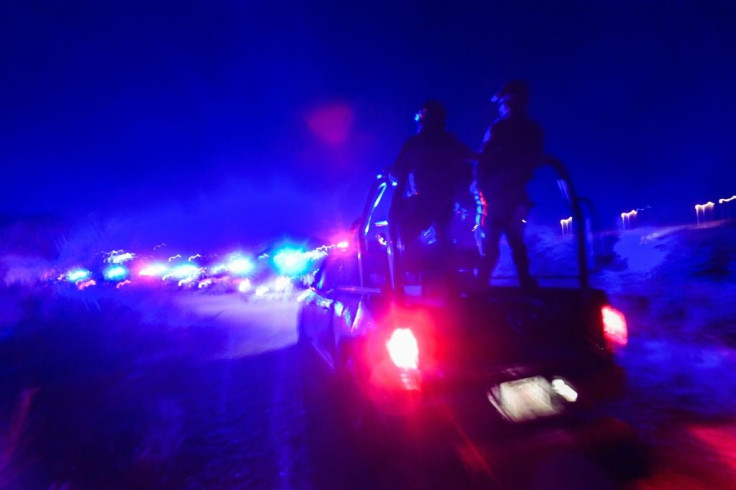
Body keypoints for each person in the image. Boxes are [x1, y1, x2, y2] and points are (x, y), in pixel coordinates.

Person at [388, 100, 476, 292]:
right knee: (443, 236)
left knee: (400, 230)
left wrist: (394, 174)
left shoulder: (415, 142)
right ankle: (448, 277)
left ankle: (401, 277)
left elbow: (396, 170)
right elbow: (469, 159)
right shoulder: (450, 141)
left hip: (425, 200)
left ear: (423, 118)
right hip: (446, 200)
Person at [477, 80, 544, 289]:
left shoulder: (500, 129)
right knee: (513, 240)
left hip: (501, 196)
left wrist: (482, 190)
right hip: (510, 195)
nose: (502, 108)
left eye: (503, 104)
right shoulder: (532, 130)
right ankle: (520, 280)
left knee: (495, 242)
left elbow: (483, 160)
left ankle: (482, 282)